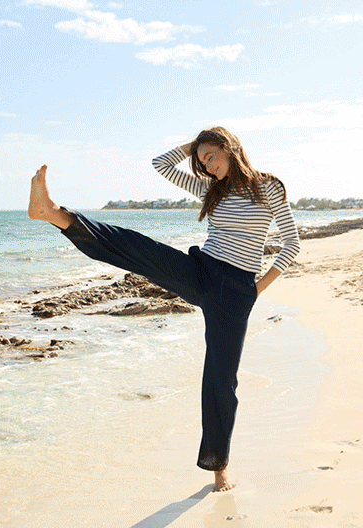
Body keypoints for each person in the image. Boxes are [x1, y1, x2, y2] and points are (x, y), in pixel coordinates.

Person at [27, 127, 300, 491]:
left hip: (236, 292)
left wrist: (256, 288)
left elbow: (292, 244)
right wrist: (197, 145)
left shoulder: (269, 188)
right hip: (202, 270)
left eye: (211, 157)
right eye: (202, 161)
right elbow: (162, 165)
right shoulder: (210, 190)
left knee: (221, 379)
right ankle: (54, 214)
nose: (207, 166)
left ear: (229, 148)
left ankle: (219, 467)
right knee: (138, 247)